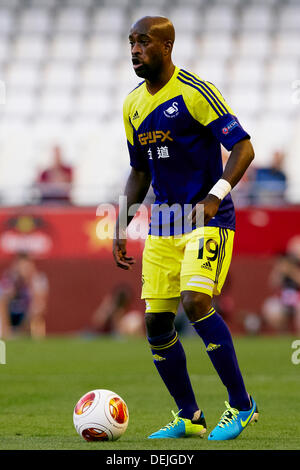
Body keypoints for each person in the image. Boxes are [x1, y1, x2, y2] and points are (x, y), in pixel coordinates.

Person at [113, 16, 258, 441]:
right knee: (157, 324)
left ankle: (242, 404)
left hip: (208, 219)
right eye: (131, 42)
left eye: (144, 42)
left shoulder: (195, 92)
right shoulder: (132, 104)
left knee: (196, 303)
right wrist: (122, 224)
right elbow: (139, 171)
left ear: (167, 45)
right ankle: (189, 416)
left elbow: (243, 147)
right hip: (163, 226)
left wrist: (215, 195)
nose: (135, 50)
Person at [0, 252, 49, 339]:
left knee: (36, 308)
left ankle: (29, 335)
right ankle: (6, 334)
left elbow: (40, 301)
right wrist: (17, 284)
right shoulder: (9, 278)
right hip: (11, 312)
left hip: (26, 314)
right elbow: (4, 297)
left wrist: (29, 282)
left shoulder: (38, 279)